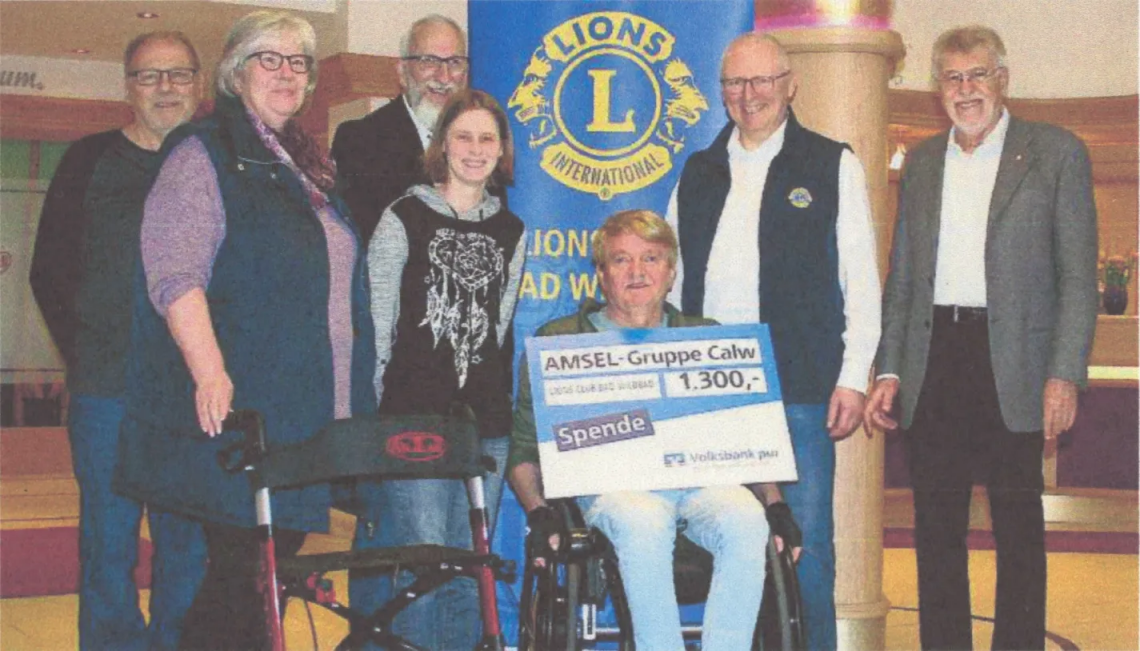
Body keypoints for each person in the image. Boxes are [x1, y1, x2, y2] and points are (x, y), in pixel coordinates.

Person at [113, 11, 376, 650]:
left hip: (303, 412)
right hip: (246, 413)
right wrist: (210, 373)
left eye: (299, 63)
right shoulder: (204, 152)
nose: (287, 73)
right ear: (235, 72)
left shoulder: (303, 163)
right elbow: (175, 274)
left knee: (259, 578)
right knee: (244, 577)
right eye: (269, 59)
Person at [865, 25, 1098, 651]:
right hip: (934, 360)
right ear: (937, 88)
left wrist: (1063, 374)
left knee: (1018, 528)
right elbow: (903, 276)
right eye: (952, 77)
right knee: (935, 529)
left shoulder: (1055, 153)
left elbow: (1078, 278)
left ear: (1003, 80)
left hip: (1016, 365)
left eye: (977, 75)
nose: (965, 90)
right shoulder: (921, 162)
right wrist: (889, 368)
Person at [666, 33, 881, 650]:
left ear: (791, 86)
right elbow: (672, 279)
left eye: (763, 80)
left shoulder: (831, 164)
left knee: (804, 550)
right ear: (722, 92)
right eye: (736, 82)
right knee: (730, 549)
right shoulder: (699, 171)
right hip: (710, 393)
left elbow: (861, 280)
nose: (749, 94)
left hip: (800, 388)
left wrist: (853, 376)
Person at [508, 209, 802, 651]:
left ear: (670, 272)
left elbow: (748, 441)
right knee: (641, 519)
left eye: (651, 258)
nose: (637, 272)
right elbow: (523, 449)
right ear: (601, 274)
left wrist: (775, 506)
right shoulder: (560, 341)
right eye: (621, 259)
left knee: (746, 518)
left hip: (701, 483)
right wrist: (537, 513)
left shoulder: (707, 337)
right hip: (614, 489)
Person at [28, 31, 207, 651]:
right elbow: (48, 271)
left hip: (196, 397)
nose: (165, 88)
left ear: (199, 83)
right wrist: (88, 355)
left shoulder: (219, 162)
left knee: (189, 545)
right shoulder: (88, 161)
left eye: (178, 74)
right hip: (108, 391)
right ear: (127, 87)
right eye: (149, 75)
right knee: (108, 544)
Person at [353, 88, 525, 650]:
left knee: (469, 567)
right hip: (412, 417)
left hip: (486, 424)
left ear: (502, 149)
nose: (475, 150)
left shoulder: (513, 230)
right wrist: (379, 413)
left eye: (487, 139)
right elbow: (379, 324)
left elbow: (498, 328)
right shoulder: (402, 217)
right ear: (442, 145)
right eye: (463, 137)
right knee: (423, 567)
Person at [332, 14, 475, 243]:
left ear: (466, 75)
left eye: (455, 63)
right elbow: (371, 238)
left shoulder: (480, 147)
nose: (444, 76)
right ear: (402, 72)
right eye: (429, 61)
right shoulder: (361, 140)